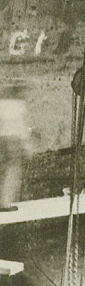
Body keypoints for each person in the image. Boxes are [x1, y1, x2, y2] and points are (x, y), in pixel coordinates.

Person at [0, 82, 30, 212]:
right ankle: (5, 203)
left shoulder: (2, 104)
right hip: (13, 140)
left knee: (6, 169)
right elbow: (22, 127)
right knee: (13, 170)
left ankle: (4, 201)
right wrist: (27, 147)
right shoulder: (19, 106)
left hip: (3, 139)